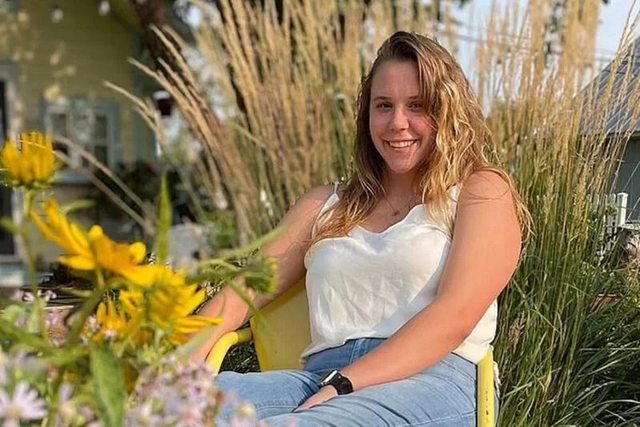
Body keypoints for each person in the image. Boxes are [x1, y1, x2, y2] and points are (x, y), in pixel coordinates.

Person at [192, 31, 528, 426]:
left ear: (446, 110)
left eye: (416, 105)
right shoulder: (323, 206)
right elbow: (239, 296)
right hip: (319, 378)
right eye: (384, 105)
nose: (397, 123)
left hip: (432, 380)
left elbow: (456, 315)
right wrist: (174, 366)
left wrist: (344, 384)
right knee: (169, 411)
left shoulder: (480, 191)